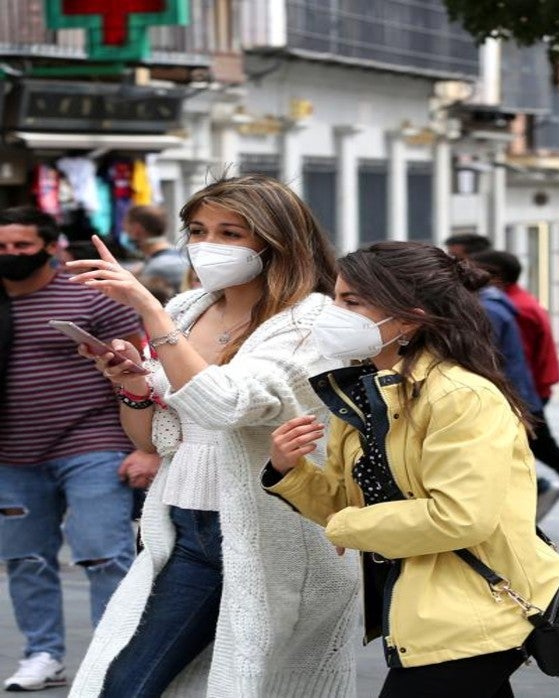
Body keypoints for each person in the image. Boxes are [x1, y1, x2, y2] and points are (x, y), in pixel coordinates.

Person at [63, 175, 359, 697]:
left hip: (269, 532)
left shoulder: (310, 321)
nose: (207, 246)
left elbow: (226, 405)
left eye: (230, 233)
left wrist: (149, 313)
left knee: (189, 683)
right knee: (133, 679)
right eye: (198, 231)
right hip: (185, 524)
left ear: (276, 241)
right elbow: (156, 439)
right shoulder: (188, 310)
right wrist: (133, 385)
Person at [265, 241, 559, 698]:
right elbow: (353, 504)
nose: (332, 313)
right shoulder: (368, 392)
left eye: (351, 302)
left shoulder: (460, 395)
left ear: (408, 318)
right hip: (428, 607)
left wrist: (346, 526)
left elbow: (460, 516)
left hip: (476, 608)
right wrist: (290, 470)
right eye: (335, 299)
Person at [0, 207, 154, 691]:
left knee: (104, 553)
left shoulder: (91, 297)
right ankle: (43, 654)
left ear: (50, 246)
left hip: (93, 443)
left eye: (22, 246)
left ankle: (114, 657)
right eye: (2, 246)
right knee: (25, 558)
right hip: (12, 455)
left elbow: (141, 368)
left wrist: (147, 447)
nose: (10, 255)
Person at [471, 250, 559, 503]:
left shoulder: (504, 308)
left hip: (521, 397)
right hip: (526, 394)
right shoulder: (511, 303)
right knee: (539, 455)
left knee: (542, 455)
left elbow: (511, 359)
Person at [123, 204, 189, 294]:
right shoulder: (181, 254)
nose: (124, 230)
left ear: (136, 229)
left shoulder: (155, 269)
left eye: (126, 225)